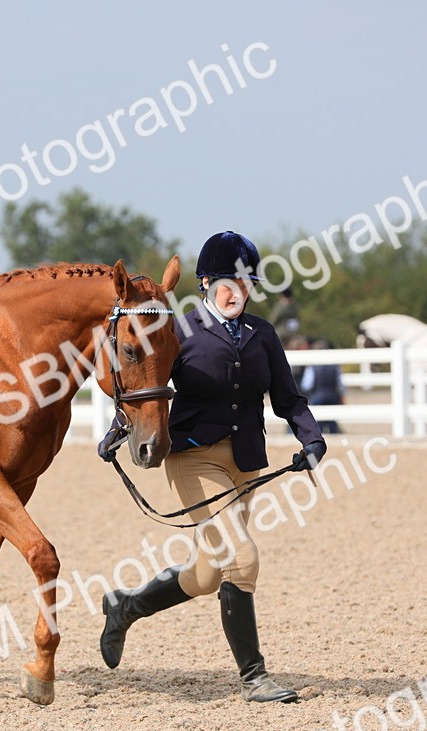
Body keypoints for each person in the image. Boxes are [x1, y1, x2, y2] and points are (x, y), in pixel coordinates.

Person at [99, 231, 327, 704]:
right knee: (242, 557)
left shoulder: (263, 333)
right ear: (205, 283)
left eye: (244, 285)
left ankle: (124, 607)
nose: (235, 293)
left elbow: (287, 397)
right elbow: (146, 380)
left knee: (208, 574)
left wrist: (311, 437)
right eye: (226, 282)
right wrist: (119, 429)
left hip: (244, 461)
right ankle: (254, 677)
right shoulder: (178, 330)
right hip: (194, 457)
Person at [300, 339, 344, 434]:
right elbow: (340, 384)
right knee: (333, 425)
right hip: (333, 397)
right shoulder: (335, 366)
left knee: (317, 426)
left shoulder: (312, 367)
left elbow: (306, 385)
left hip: (317, 397)